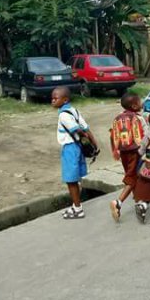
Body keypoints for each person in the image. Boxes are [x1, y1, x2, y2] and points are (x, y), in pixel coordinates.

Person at [52, 87, 98, 220]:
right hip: (78, 148)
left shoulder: (63, 115)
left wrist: (84, 136)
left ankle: (78, 209)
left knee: (70, 180)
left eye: (56, 98)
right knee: (75, 178)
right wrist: (94, 143)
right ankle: (75, 205)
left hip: (70, 148)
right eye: (52, 98)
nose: (53, 100)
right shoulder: (74, 111)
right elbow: (86, 128)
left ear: (65, 99)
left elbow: (79, 130)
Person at [109, 93, 147, 222]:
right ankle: (118, 202)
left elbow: (112, 134)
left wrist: (114, 150)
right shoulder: (138, 118)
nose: (142, 104)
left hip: (123, 152)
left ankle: (138, 202)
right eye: (140, 102)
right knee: (133, 177)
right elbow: (146, 136)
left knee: (131, 175)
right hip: (136, 152)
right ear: (135, 105)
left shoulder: (118, 118)